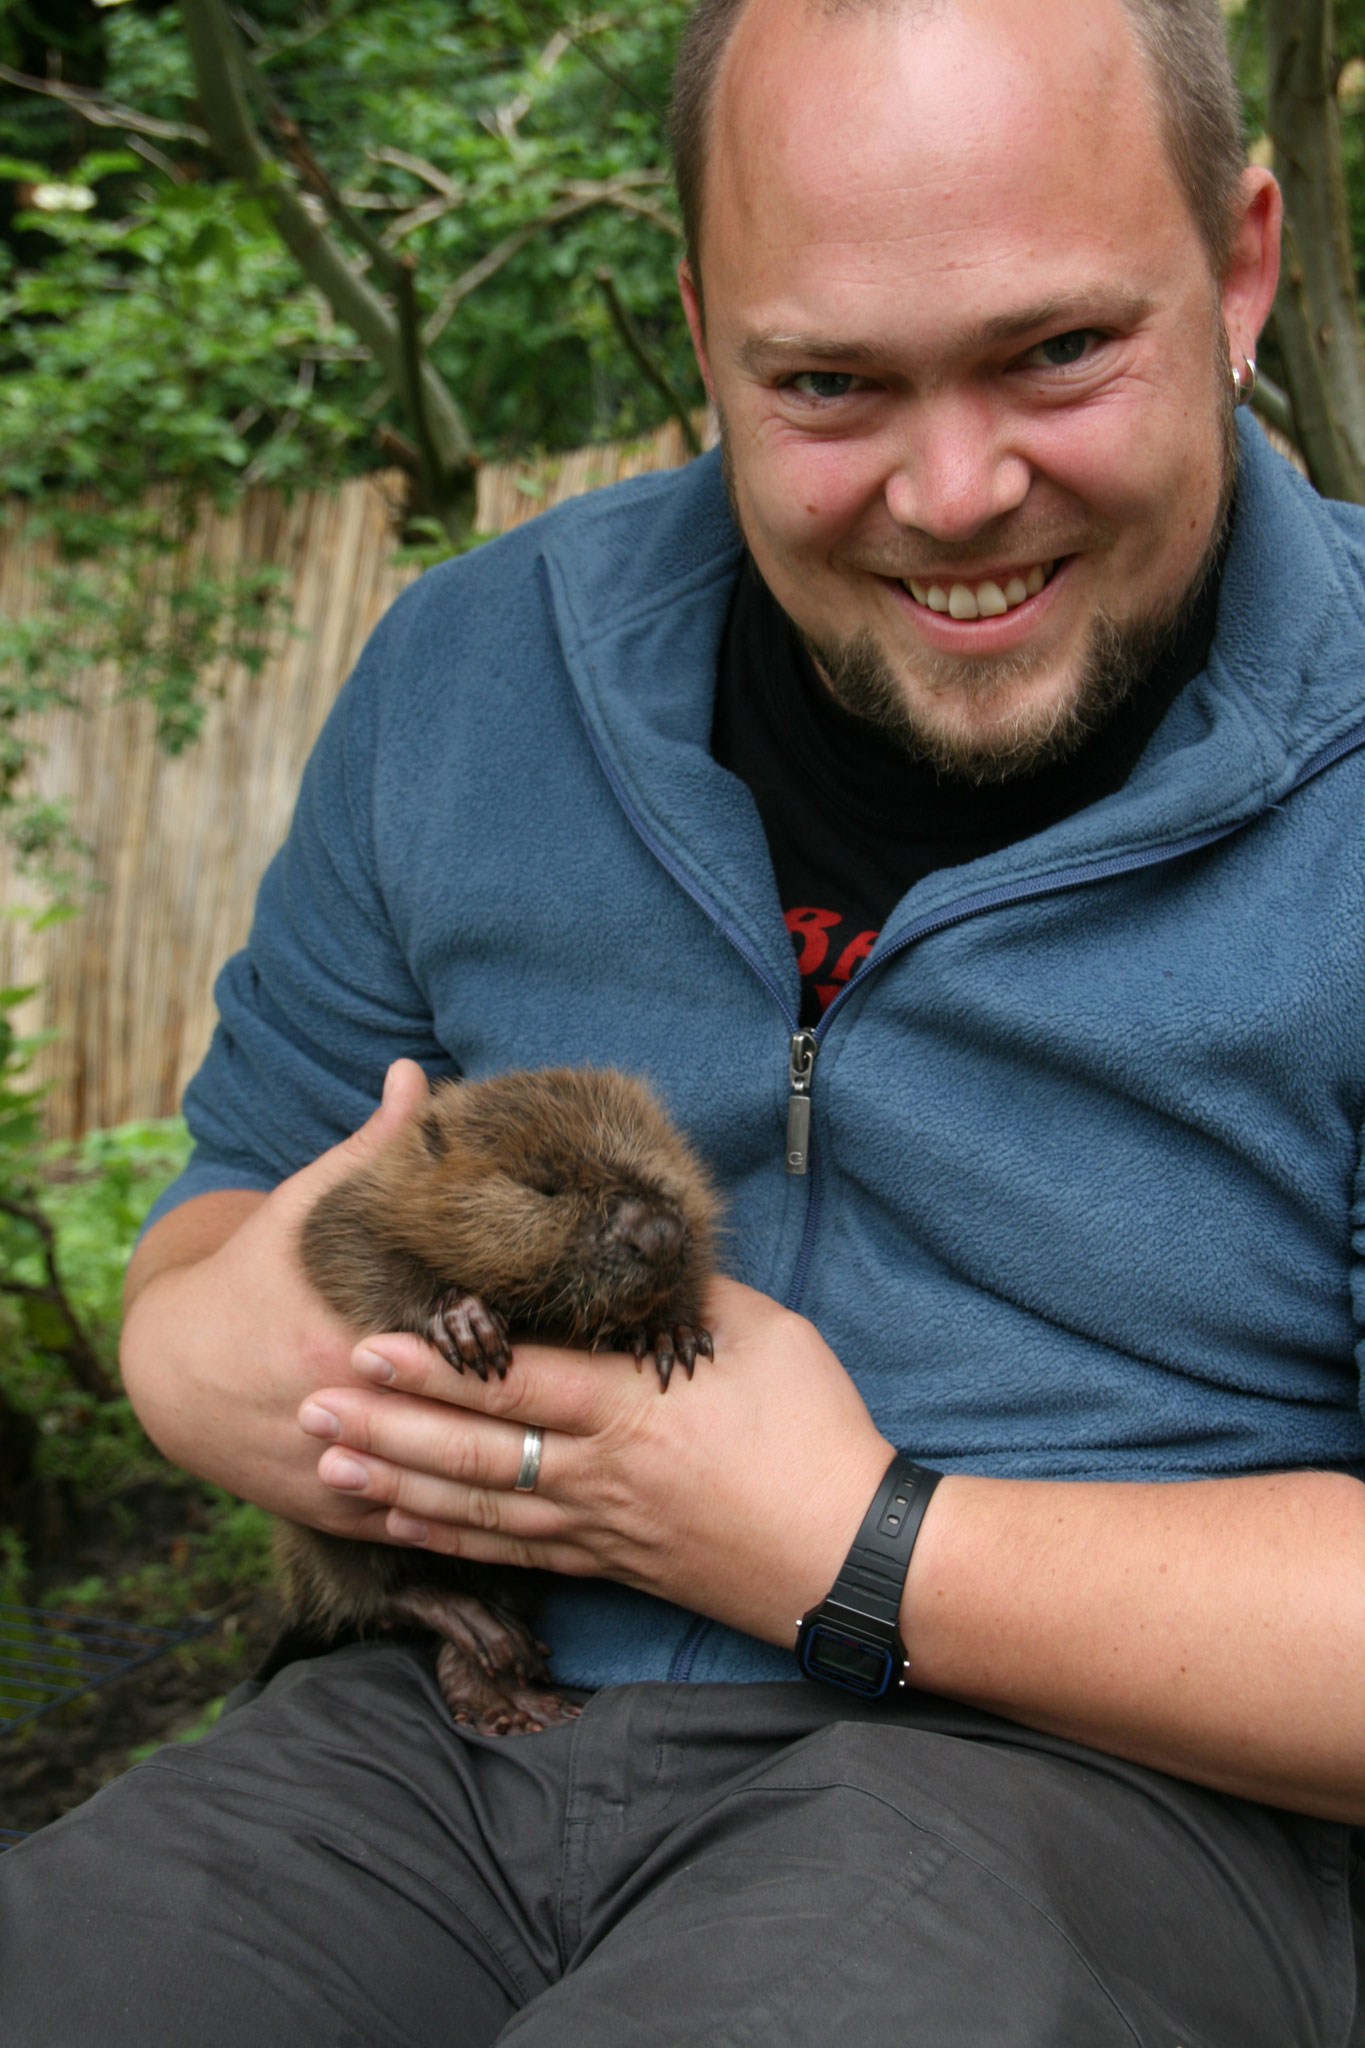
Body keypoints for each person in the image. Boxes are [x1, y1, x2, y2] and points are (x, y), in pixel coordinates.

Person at [5, 0, 1365, 2040]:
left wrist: (845, 1539)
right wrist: (235, 1355)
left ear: (1240, 263)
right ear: (703, 320)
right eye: (823, 380)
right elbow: (215, 1254)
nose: (953, 487)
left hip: (1089, 1790)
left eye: (1055, 349)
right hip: (435, 1731)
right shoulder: (473, 672)